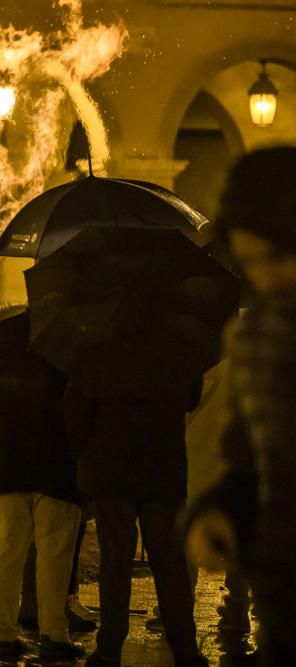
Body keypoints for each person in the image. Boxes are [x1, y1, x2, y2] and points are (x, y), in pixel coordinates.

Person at [186, 146, 296, 666]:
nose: (267, 278)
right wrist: (221, 510)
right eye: (251, 263)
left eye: (276, 258)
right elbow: (254, 455)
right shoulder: (257, 336)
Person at [66, 362, 206, 665]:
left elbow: (75, 411)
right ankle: (185, 646)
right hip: (163, 469)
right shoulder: (175, 346)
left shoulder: (98, 347)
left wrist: (86, 456)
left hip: (113, 472)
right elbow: (192, 397)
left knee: (115, 562)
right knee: (170, 563)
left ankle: (110, 647)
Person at [0, 311, 84, 660]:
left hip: (12, 459)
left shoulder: (4, 333)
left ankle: (3, 634)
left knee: (8, 550)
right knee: (55, 551)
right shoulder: (75, 330)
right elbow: (83, 397)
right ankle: (54, 634)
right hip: (58, 462)